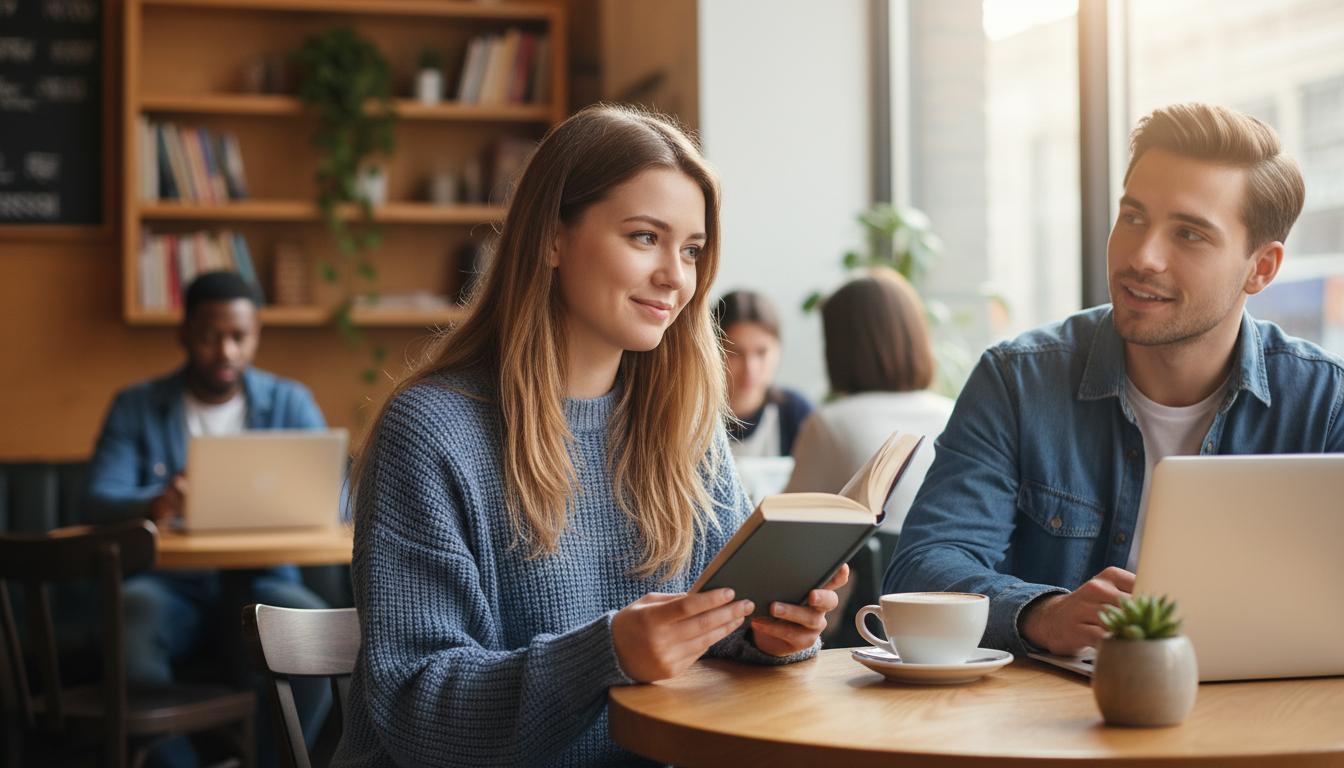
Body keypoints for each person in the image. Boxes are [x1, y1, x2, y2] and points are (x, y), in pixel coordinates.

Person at [331, 104, 845, 768]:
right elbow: (416, 713)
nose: (675, 276)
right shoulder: (431, 433)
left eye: (691, 250)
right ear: (552, 237)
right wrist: (610, 653)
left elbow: (718, 637)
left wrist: (770, 637)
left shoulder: (683, 423)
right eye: (643, 237)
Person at [885, 103, 1344, 660]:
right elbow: (924, 567)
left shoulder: (1326, 401)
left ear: (1261, 268)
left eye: (1189, 235)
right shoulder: (1018, 382)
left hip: (1266, 717)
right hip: (1055, 727)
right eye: (1133, 218)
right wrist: (1043, 615)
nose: (1143, 256)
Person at [85, 271, 331, 767]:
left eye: (239, 336)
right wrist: (156, 503)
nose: (226, 351)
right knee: (131, 618)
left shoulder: (290, 402)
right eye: (210, 335)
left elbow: (337, 498)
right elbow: (96, 500)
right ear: (184, 334)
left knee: (310, 631)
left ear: (256, 334)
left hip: (265, 579)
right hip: (169, 585)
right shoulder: (135, 406)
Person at [785, 269, 954, 532]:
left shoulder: (830, 423)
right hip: (951, 570)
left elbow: (785, 528)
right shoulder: (955, 415)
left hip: (874, 573)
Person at [714, 290, 812, 458]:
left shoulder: (795, 412)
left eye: (762, 352)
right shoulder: (691, 415)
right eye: (735, 353)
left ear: (778, 349)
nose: (750, 368)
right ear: (712, 350)